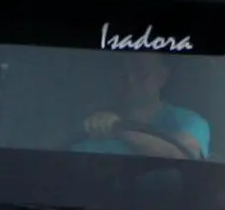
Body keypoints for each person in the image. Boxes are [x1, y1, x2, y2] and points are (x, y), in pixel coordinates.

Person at [74, 53, 211, 160]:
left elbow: (183, 155)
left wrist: (120, 128)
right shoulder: (91, 129)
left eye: (140, 71)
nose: (130, 79)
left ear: (161, 77)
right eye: (122, 72)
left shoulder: (190, 122)